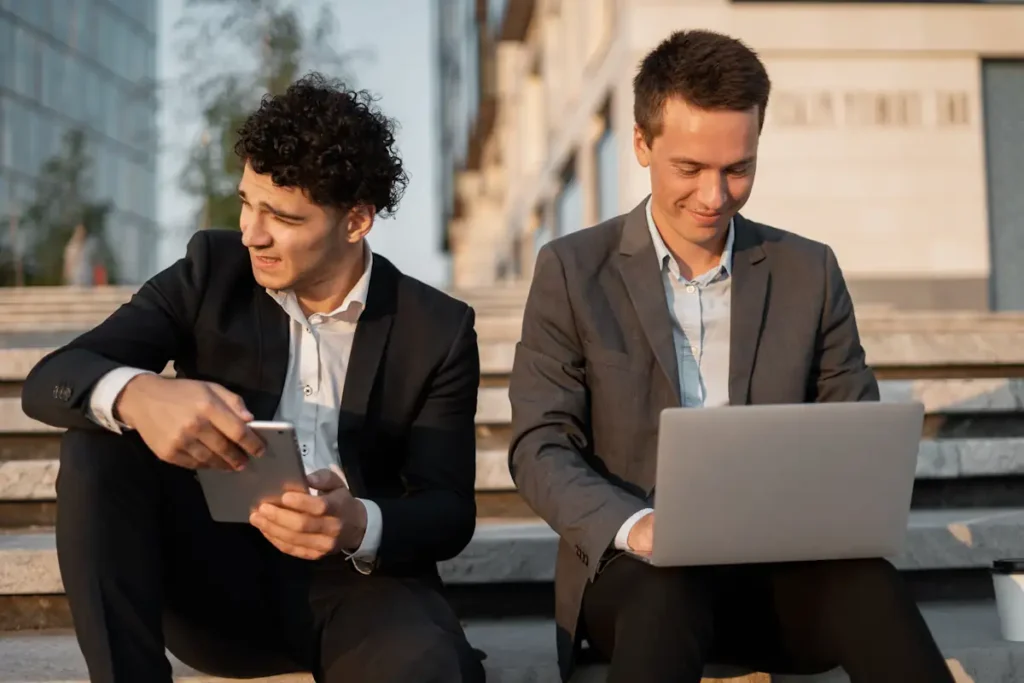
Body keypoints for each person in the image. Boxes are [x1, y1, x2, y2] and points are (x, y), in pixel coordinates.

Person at [507, 30, 954, 683]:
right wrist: (638, 526)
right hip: (638, 579)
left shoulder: (810, 271)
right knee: (667, 591)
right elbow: (539, 445)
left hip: (779, 579)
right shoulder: (573, 271)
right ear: (641, 144)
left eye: (737, 168)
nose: (715, 197)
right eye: (689, 168)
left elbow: (853, 428)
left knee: (872, 587)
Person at [22, 73, 485, 683]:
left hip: (358, 592)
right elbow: (52, 379)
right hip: (211, 586)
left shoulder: (437, 329)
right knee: (96, 435)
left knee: (428, 668)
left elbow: (448, 510)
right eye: (246, 201)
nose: (252, 233)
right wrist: (138, 393)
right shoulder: (211, 272)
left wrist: (357, 522)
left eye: (282, 216)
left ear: (356, 221)